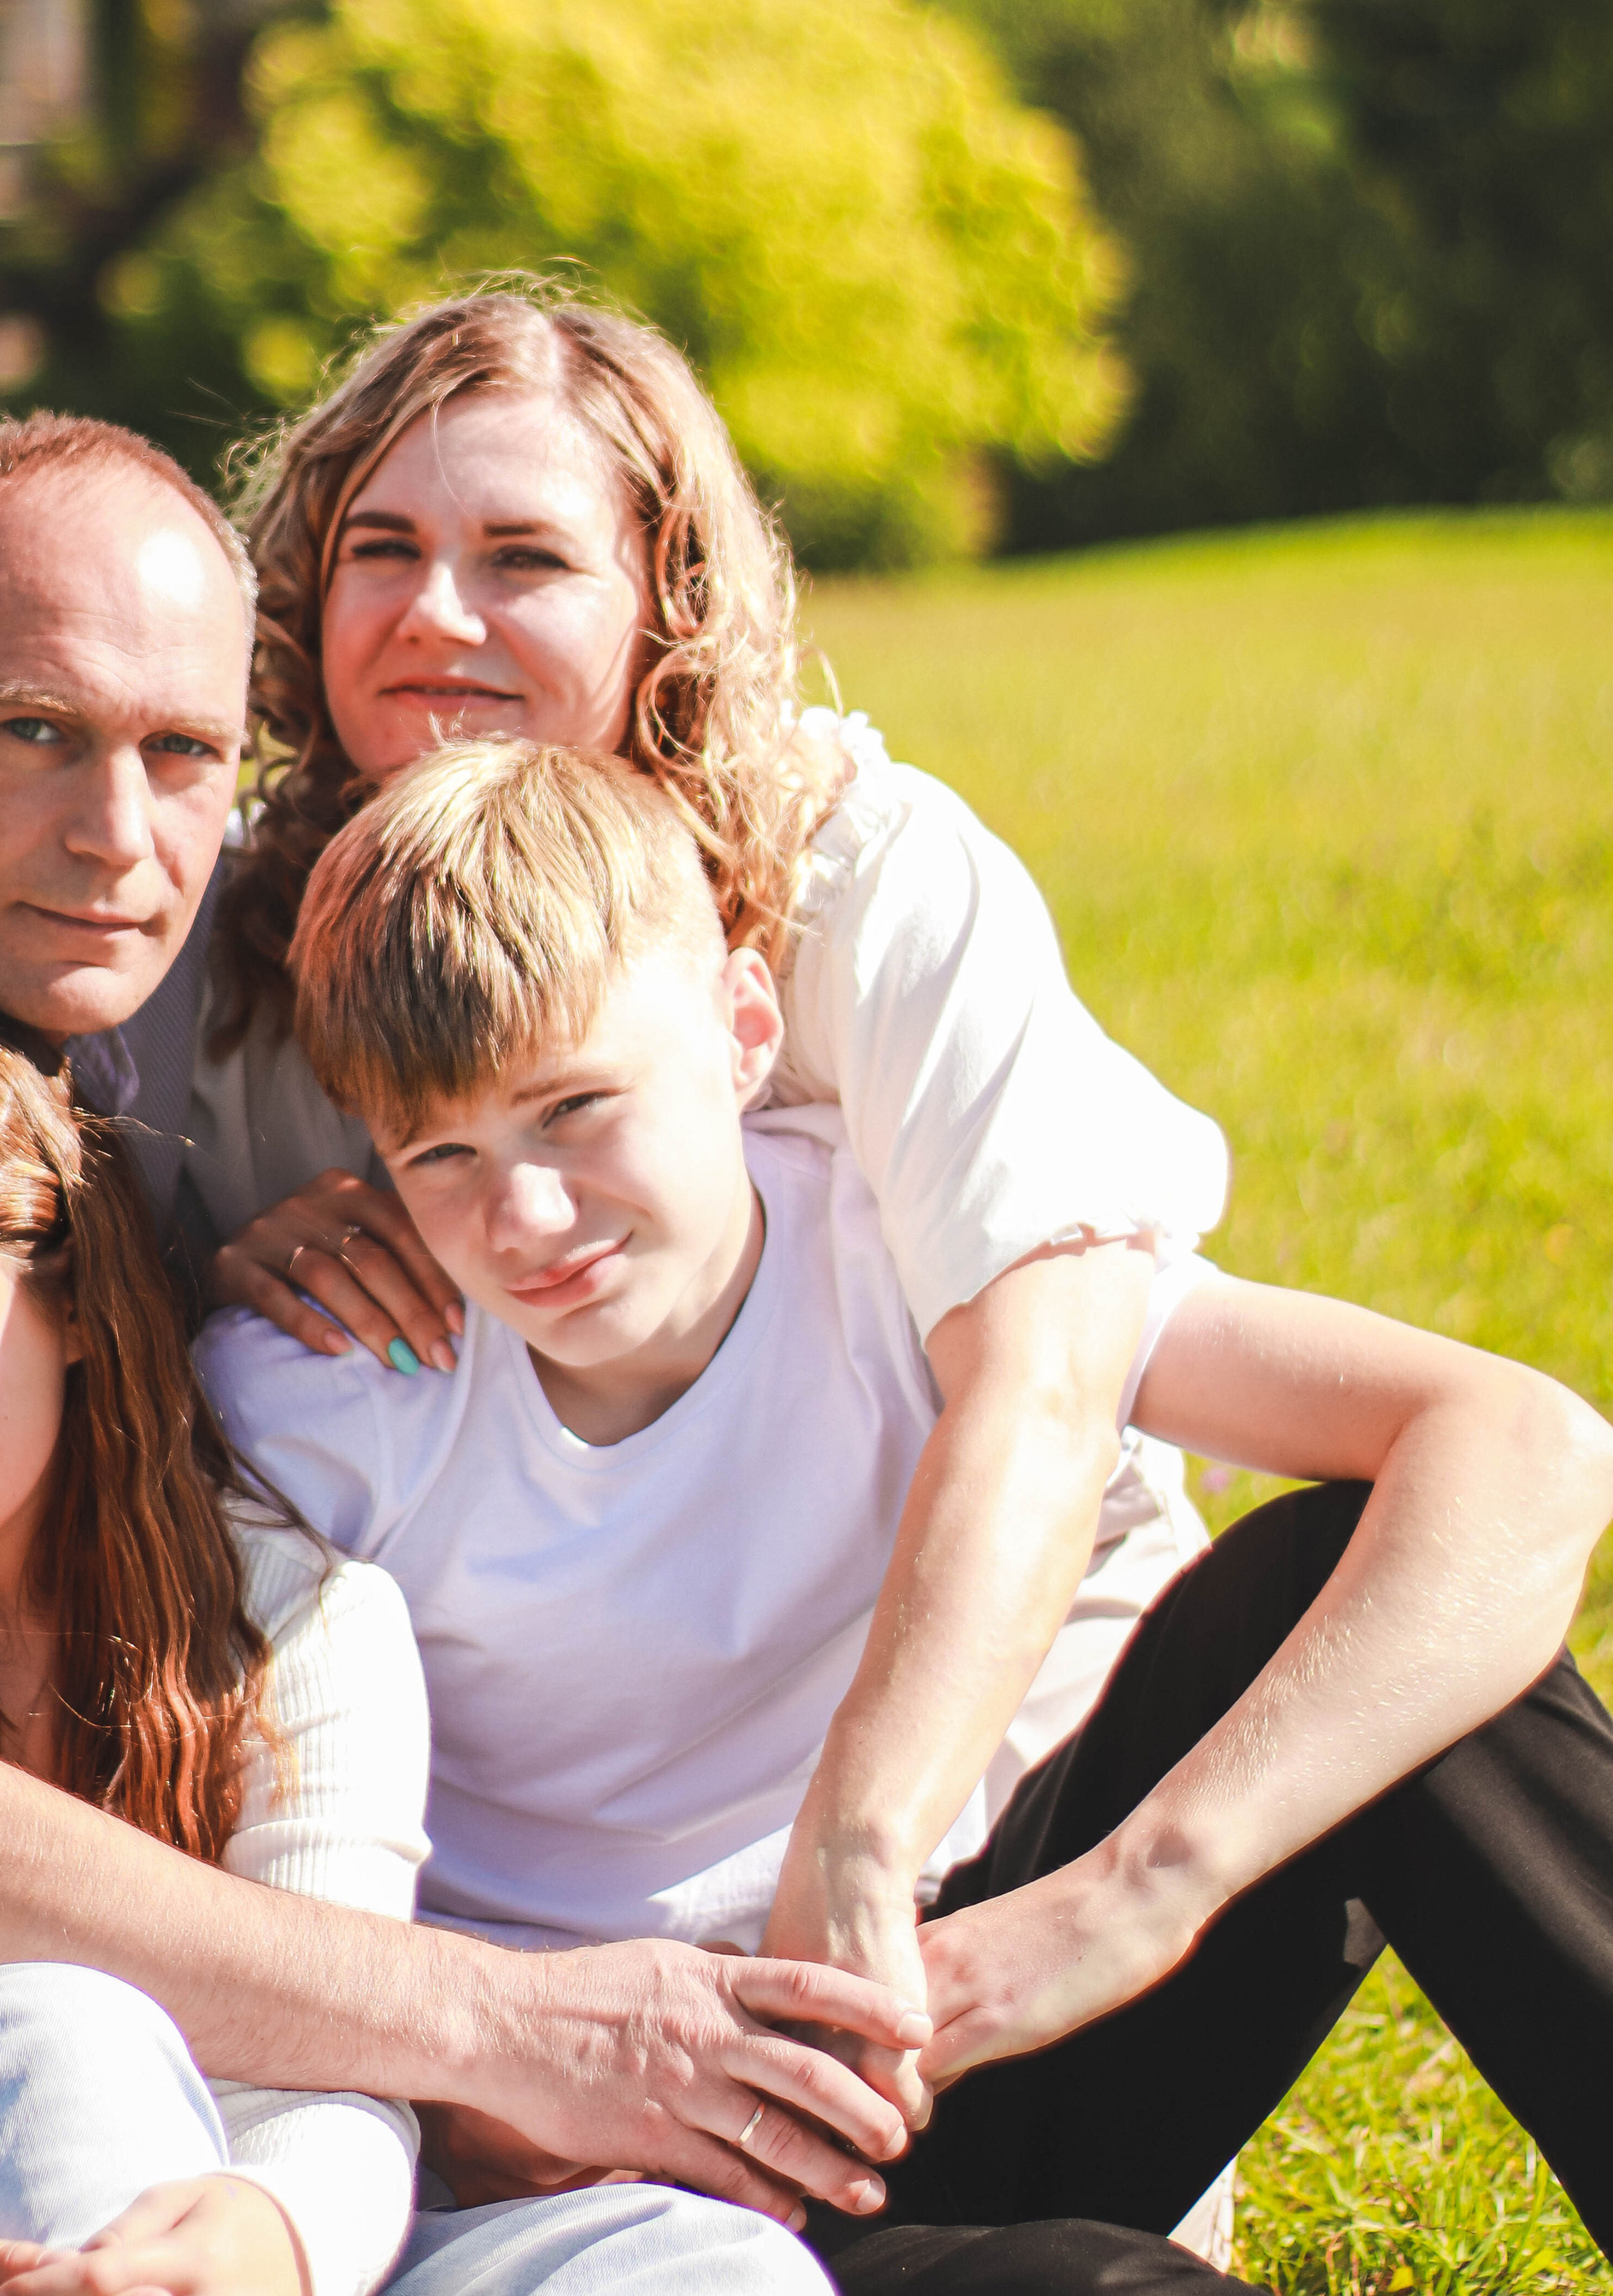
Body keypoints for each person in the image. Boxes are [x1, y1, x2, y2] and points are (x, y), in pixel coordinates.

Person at [0, 411, 914, 2296]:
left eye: (185, 754)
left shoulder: (201, 932)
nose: (120, 840)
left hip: (189, 1948)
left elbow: (574, 906)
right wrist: (509, 2025)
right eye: (33, 730)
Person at [198, 737, 1613, 2296]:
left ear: (744, 1030)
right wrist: (471, 2096)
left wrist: (1130, 1892)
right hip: (633, 2198)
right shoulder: (317, 1405)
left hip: (944, 2018)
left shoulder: (903, 1250)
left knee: (1332, 1583)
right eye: (441, 1154)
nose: (525, 1217)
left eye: (575, 1107)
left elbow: (1526, 1448)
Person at [188, 291, 1223, 2037]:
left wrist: (869, 1861)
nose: (437, 614)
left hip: (984, 1795)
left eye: (522, 555)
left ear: (664, 601)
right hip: (608, 1882)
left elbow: (1047, 1387)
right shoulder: (249, 951)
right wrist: (213, 1268)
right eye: (381, 547)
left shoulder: (861, 879)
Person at [0, 974, 836, 2296]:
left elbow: (340, 2063)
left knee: (696, 2271)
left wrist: (276, 2244)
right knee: (56, 2037)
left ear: (74, 1307)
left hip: (196, 2252)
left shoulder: (295, 1617)